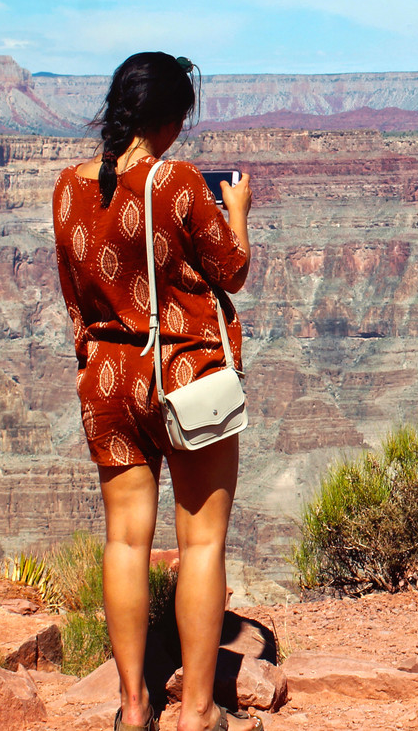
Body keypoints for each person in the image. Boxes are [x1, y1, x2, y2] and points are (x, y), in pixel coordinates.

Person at [52, 52, 259, 731]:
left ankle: (134, 706)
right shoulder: (177, 181)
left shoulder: (67, 187)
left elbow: (74, 294)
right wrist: (238, 212)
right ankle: (197, 713)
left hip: (107, 381)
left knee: (124, 542)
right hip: (183, 375)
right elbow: (232, 269)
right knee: (200, 543)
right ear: (169, 118)